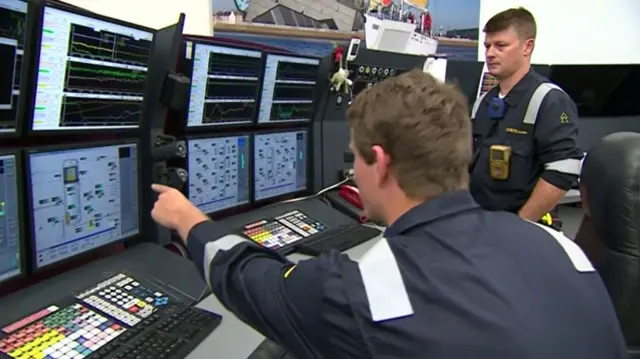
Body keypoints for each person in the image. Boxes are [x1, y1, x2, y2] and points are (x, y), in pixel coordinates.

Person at [150, 70, 626, 358]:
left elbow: (251, 280)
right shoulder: (561, 244)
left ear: (378, 162)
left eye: (354, 157)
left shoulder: (363, 290)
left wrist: (186, 218)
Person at [470, 7, 584, 225]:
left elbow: (562, 170)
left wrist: (520, 225)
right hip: (481, 224)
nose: (490, 53)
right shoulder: (483, 103)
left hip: (522, 228)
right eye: (487, 46)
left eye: (501, 45)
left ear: (527, 46)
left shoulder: (550, 100)